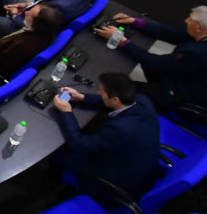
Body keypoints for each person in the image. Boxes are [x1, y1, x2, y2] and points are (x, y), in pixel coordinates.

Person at [95, 6, 207, 116]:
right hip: (190, 81)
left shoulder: (202, 53)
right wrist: (135, 21)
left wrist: (121, 41)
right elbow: (171, 34)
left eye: (190, 19)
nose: (186, 21)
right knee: (145, 59)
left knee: (116, 91)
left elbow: (155, 63)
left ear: (199, 28)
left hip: (187, 99)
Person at [53, 73, 162, 201]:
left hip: (117, 179)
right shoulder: (142, 101)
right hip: (137, 162)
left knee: (58, 151)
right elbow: (108, 102)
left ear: (115, 99)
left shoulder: (119, 129)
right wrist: (82, 97)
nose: (98, 93)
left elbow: (78, 144)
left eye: (102, 91)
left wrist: (66, 112)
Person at [0, 4, 65, 80]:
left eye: (30, 14)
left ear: (36, 23)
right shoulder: (44, 33)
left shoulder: (23, 46)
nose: (26, 12)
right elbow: (13, 36)